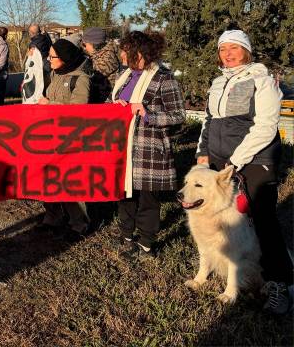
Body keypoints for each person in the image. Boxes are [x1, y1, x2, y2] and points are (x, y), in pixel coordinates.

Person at [196, 29, 292, 314]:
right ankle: (230, 264)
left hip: (254, 160)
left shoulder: (261, 81)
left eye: (233, 48)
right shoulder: (217, 82)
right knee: (222, 218)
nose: (227, 53)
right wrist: (203, 152)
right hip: (220, 162)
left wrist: (236, 161)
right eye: (222, 48)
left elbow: (265, 126)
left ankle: (281, 284)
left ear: (246, 51)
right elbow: (209, 121)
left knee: (262, 219)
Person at [111, 31, 185, 260]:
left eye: (125, 50)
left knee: (147, 200)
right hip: (124, 148)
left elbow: (178, 115)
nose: (121, 54)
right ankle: (126, 235)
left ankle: (145, 243)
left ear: (139, 53)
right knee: (125, 195)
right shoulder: (125, 76)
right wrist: (115, 105)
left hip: (149, 151)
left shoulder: (164, 78)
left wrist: (148, 113)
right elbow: (111, 103)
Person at [35, 39, 91, 241]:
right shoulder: (53, 74)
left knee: (70, 180)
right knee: (47, 177)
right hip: (49, 135)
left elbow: (79, 110)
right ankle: (52, 216)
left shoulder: (81, 78)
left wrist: (51, 105)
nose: (49, 60)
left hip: (69, 138)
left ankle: (79, 223)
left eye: (53, 56)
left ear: (65, 58)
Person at [81, 27, 120, 103]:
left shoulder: (107, 57)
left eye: (84, 44)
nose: (84, 48)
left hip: (104, 101)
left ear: (94, 44)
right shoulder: (98, 54)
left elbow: (90, 79)